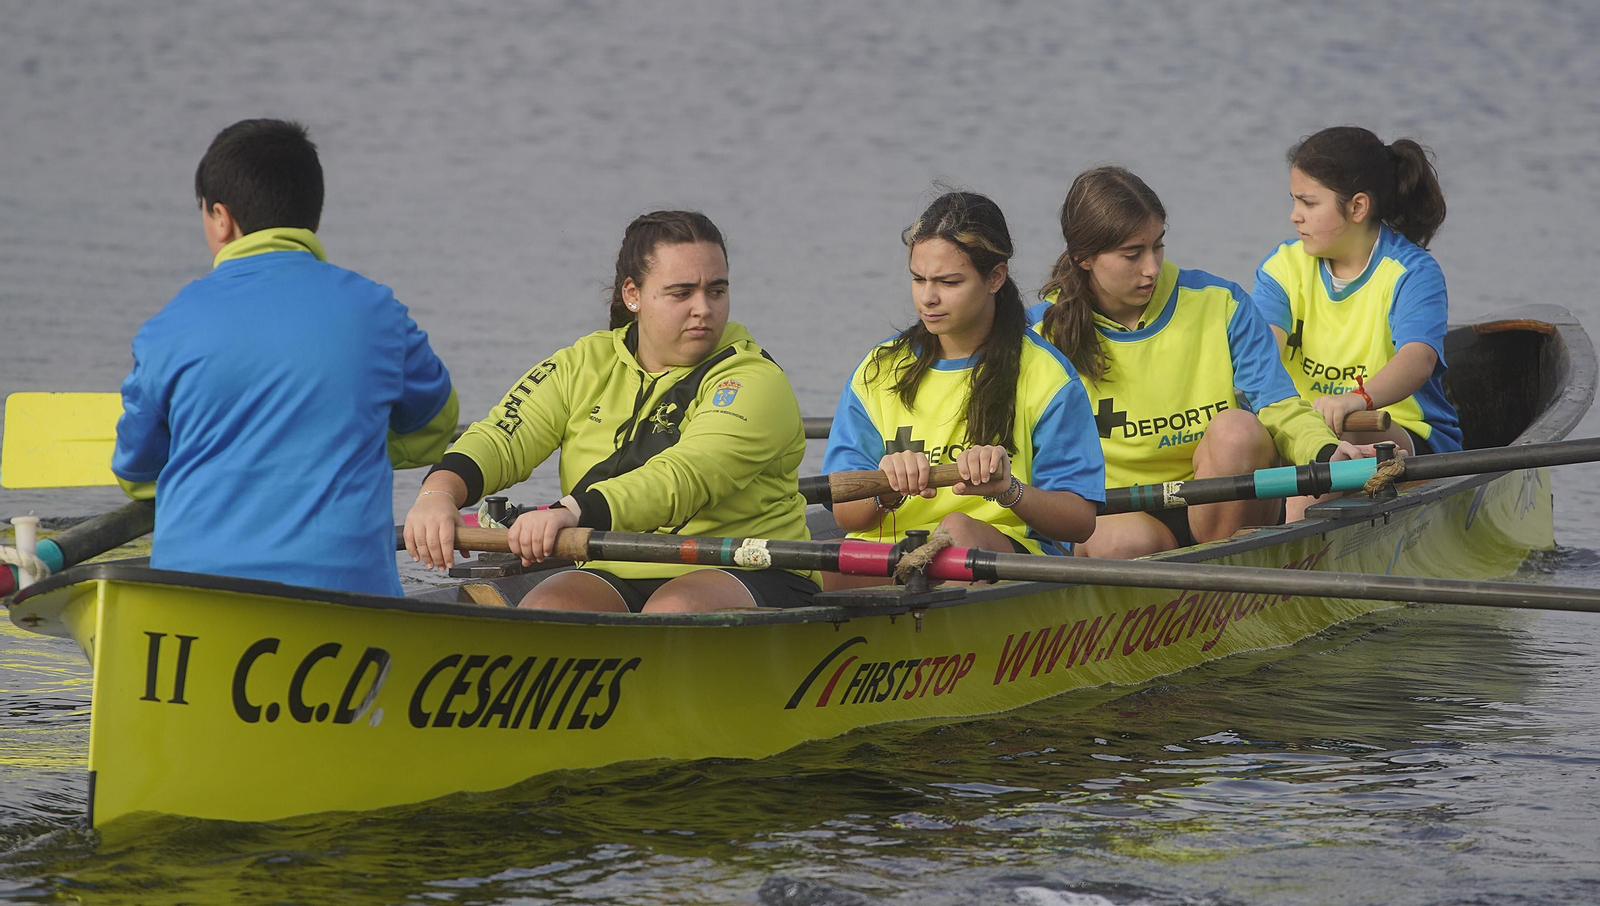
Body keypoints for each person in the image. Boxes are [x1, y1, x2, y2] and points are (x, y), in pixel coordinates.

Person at [404, 210, 819, 613]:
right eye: (681, 293)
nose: (704, 309)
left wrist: (571, 512)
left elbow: (686, 474)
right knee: (546, 606)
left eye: (716, 290)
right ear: (632, 295)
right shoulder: (584, 362)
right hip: (612, 563)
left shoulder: (754, 380)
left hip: (748, 564)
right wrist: (439, 493)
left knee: (673, 609)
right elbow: (504, 434)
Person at [112, 119, 458, 596]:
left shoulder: (165, 329)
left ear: (220, 218)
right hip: (352, 600)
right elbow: (435, 428)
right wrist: (355, 444)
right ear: (312, 217)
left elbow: (136, 474)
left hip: (193, 593)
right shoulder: (379, 312)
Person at [1030, 166, 1362, 559]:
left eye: (1158, 246)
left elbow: (1278, 405)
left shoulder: (1220, 302)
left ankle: (1226, 579)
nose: (1151, 268)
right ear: (1083, 258)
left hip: (1216, 504)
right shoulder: (1040, 333)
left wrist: (1325, 453)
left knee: (1239, 429)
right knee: (1129, 542)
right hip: (1112, 512)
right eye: (1132, 254)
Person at [822, 191, 1103, 585]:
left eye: (949, 282)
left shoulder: (1047, 377)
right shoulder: (879, 370)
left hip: (1004, 552)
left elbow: (1079, 521)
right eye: (918, 280)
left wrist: (1008, 490)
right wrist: (886, 491)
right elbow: (845, 514)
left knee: (957, 528)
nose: (928, 298)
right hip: (891, 553)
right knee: (807, 570)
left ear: (995, 278)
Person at [1253, 127, 1461, 479]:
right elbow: (1260, 350)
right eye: (1293, 200)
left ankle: (1292, 525)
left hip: (1402, 433)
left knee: (1339, 427)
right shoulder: (1282, 267)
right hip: (1305, 431)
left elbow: (1418, 358)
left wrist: (1356, 399)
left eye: (1308, 203)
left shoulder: (1411, 273)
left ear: (1357, 207)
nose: (1294, 215)